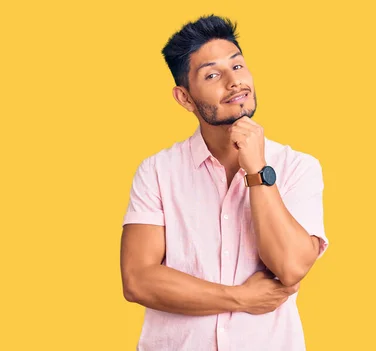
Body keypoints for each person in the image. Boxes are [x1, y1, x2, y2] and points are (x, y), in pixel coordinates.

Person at [119, 14, 329, 351]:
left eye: (239, 66)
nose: (235, 82)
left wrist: (258, 169)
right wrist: (240, 298)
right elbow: (139, 280)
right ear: (184, 98)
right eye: (213, 75)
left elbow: (290, 266)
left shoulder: (297, 167)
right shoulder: (157, 171)